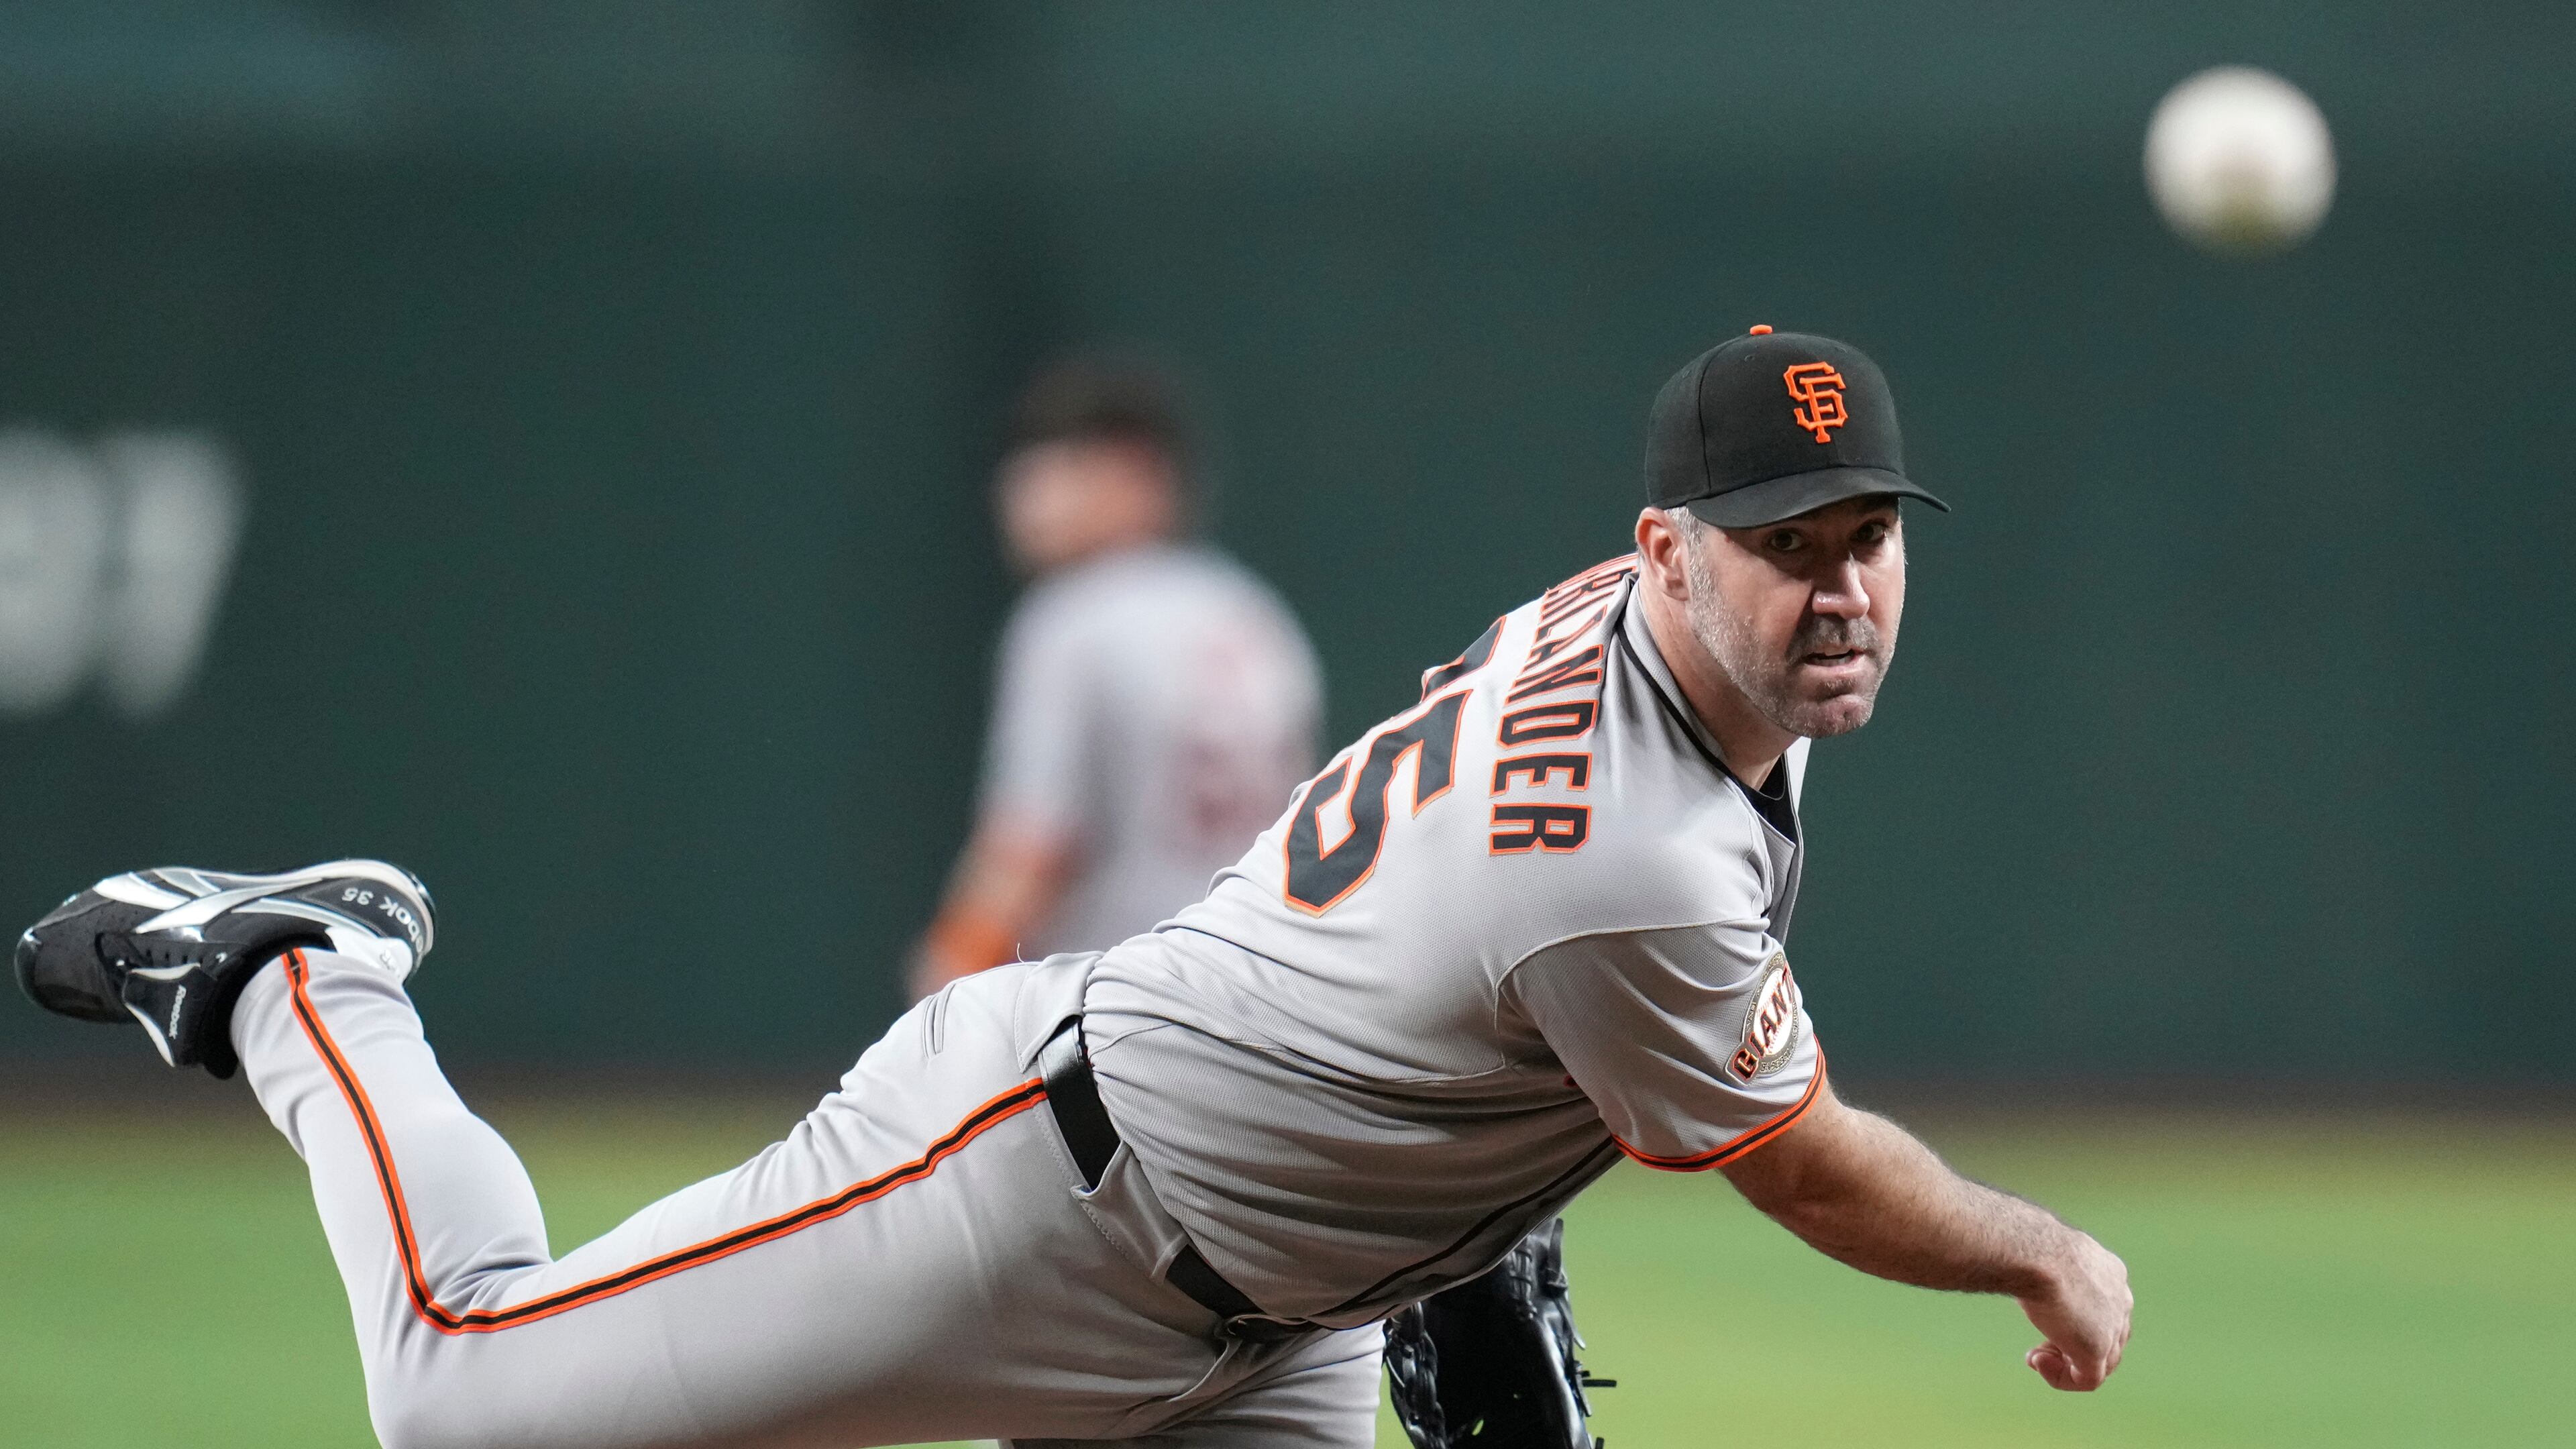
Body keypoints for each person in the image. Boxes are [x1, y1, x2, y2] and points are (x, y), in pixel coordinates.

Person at [16, 327, 2131, 1449]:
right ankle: (312, 979)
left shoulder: (1614, 633)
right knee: (458, 1399)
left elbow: (1459, 948)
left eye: (1866, 530)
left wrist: (1455, 1227)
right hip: (1036, 1188)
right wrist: (2036, 1253)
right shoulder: (1636, 853)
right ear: (1665, 553)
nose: (1838, 582)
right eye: (1784, 538)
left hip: (1273, 1313)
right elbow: (1802, 1166)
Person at [910, 360, 1323, 1000]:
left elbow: (1033, 845)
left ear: (1138, 473)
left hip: (1112, 1002)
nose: (1027, 492)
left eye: (1063, 464)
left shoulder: (1072, 616)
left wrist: (946, 979)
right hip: (1260, 992)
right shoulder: (1256, 614)